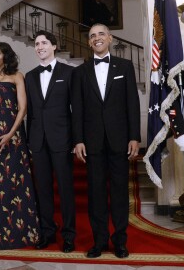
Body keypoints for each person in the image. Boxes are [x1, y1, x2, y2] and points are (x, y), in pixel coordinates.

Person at [72, 24, 140, 259]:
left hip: (120, 139)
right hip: (92, 143)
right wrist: (78, 140)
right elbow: (77, 109)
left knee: (120, 193)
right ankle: (99, 241)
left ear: (110, 38)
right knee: (96, 194)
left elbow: (132, 103)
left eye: (101, 34)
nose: (97, 38)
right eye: (92, 36)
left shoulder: (125, 66)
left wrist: (134, 136)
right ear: (89, 42)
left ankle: (120, 242)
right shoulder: (80, 72)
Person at [0, 41, 40, 251]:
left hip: (14, 136)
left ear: (6, 56)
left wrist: (11, 133)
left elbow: (23, 108)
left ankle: (20, 235)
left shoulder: (16, 76)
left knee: (15, 181)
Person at [25, 30, 76, 253]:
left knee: (65, 189)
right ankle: (46, 232)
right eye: (37, 44)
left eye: (44, 43)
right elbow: (30, 111)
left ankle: (69, 235)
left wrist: (76, 140)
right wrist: (28, 140)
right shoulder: (29, 75)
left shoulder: (70, 72)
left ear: (54, 46)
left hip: (62, 138)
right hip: (37, 140)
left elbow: (76, 109)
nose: (40, 47)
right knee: (43, 190)